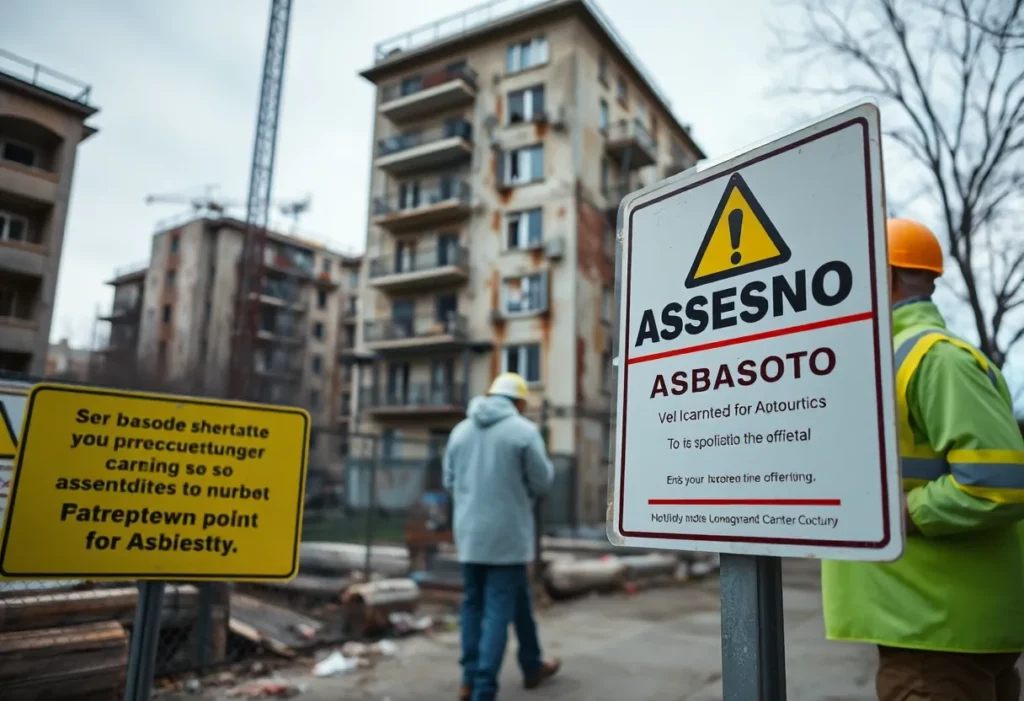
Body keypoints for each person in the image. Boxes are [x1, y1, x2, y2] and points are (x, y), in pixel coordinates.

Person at [821, 218, 1024, 701]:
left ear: (882, 277)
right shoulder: (889, 356)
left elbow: (1000, 482)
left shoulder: (932, 359)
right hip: (935, 625)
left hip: (933, 633)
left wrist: (900, 514)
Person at [443, 372, 561, 701]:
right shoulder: (523, 432)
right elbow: (542, 482)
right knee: (497, 609)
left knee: (475, 604)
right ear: (520, 401)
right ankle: (483, 688)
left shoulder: (460, 432)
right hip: (508, 538)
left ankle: (524, 666)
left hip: (469, 536)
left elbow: (449, 482)